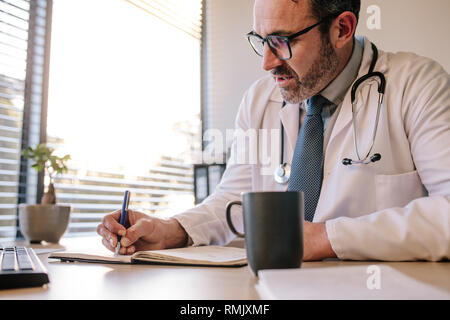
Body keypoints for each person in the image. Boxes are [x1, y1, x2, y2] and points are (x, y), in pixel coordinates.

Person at [97, 0, 450, 261]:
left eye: (282, 41)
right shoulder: (259, 100)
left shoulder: (416, 85)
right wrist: (170, 230)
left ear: (342, 28)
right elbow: (234, 203)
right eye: (260, 40)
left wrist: (327, 237)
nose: (266, 63)